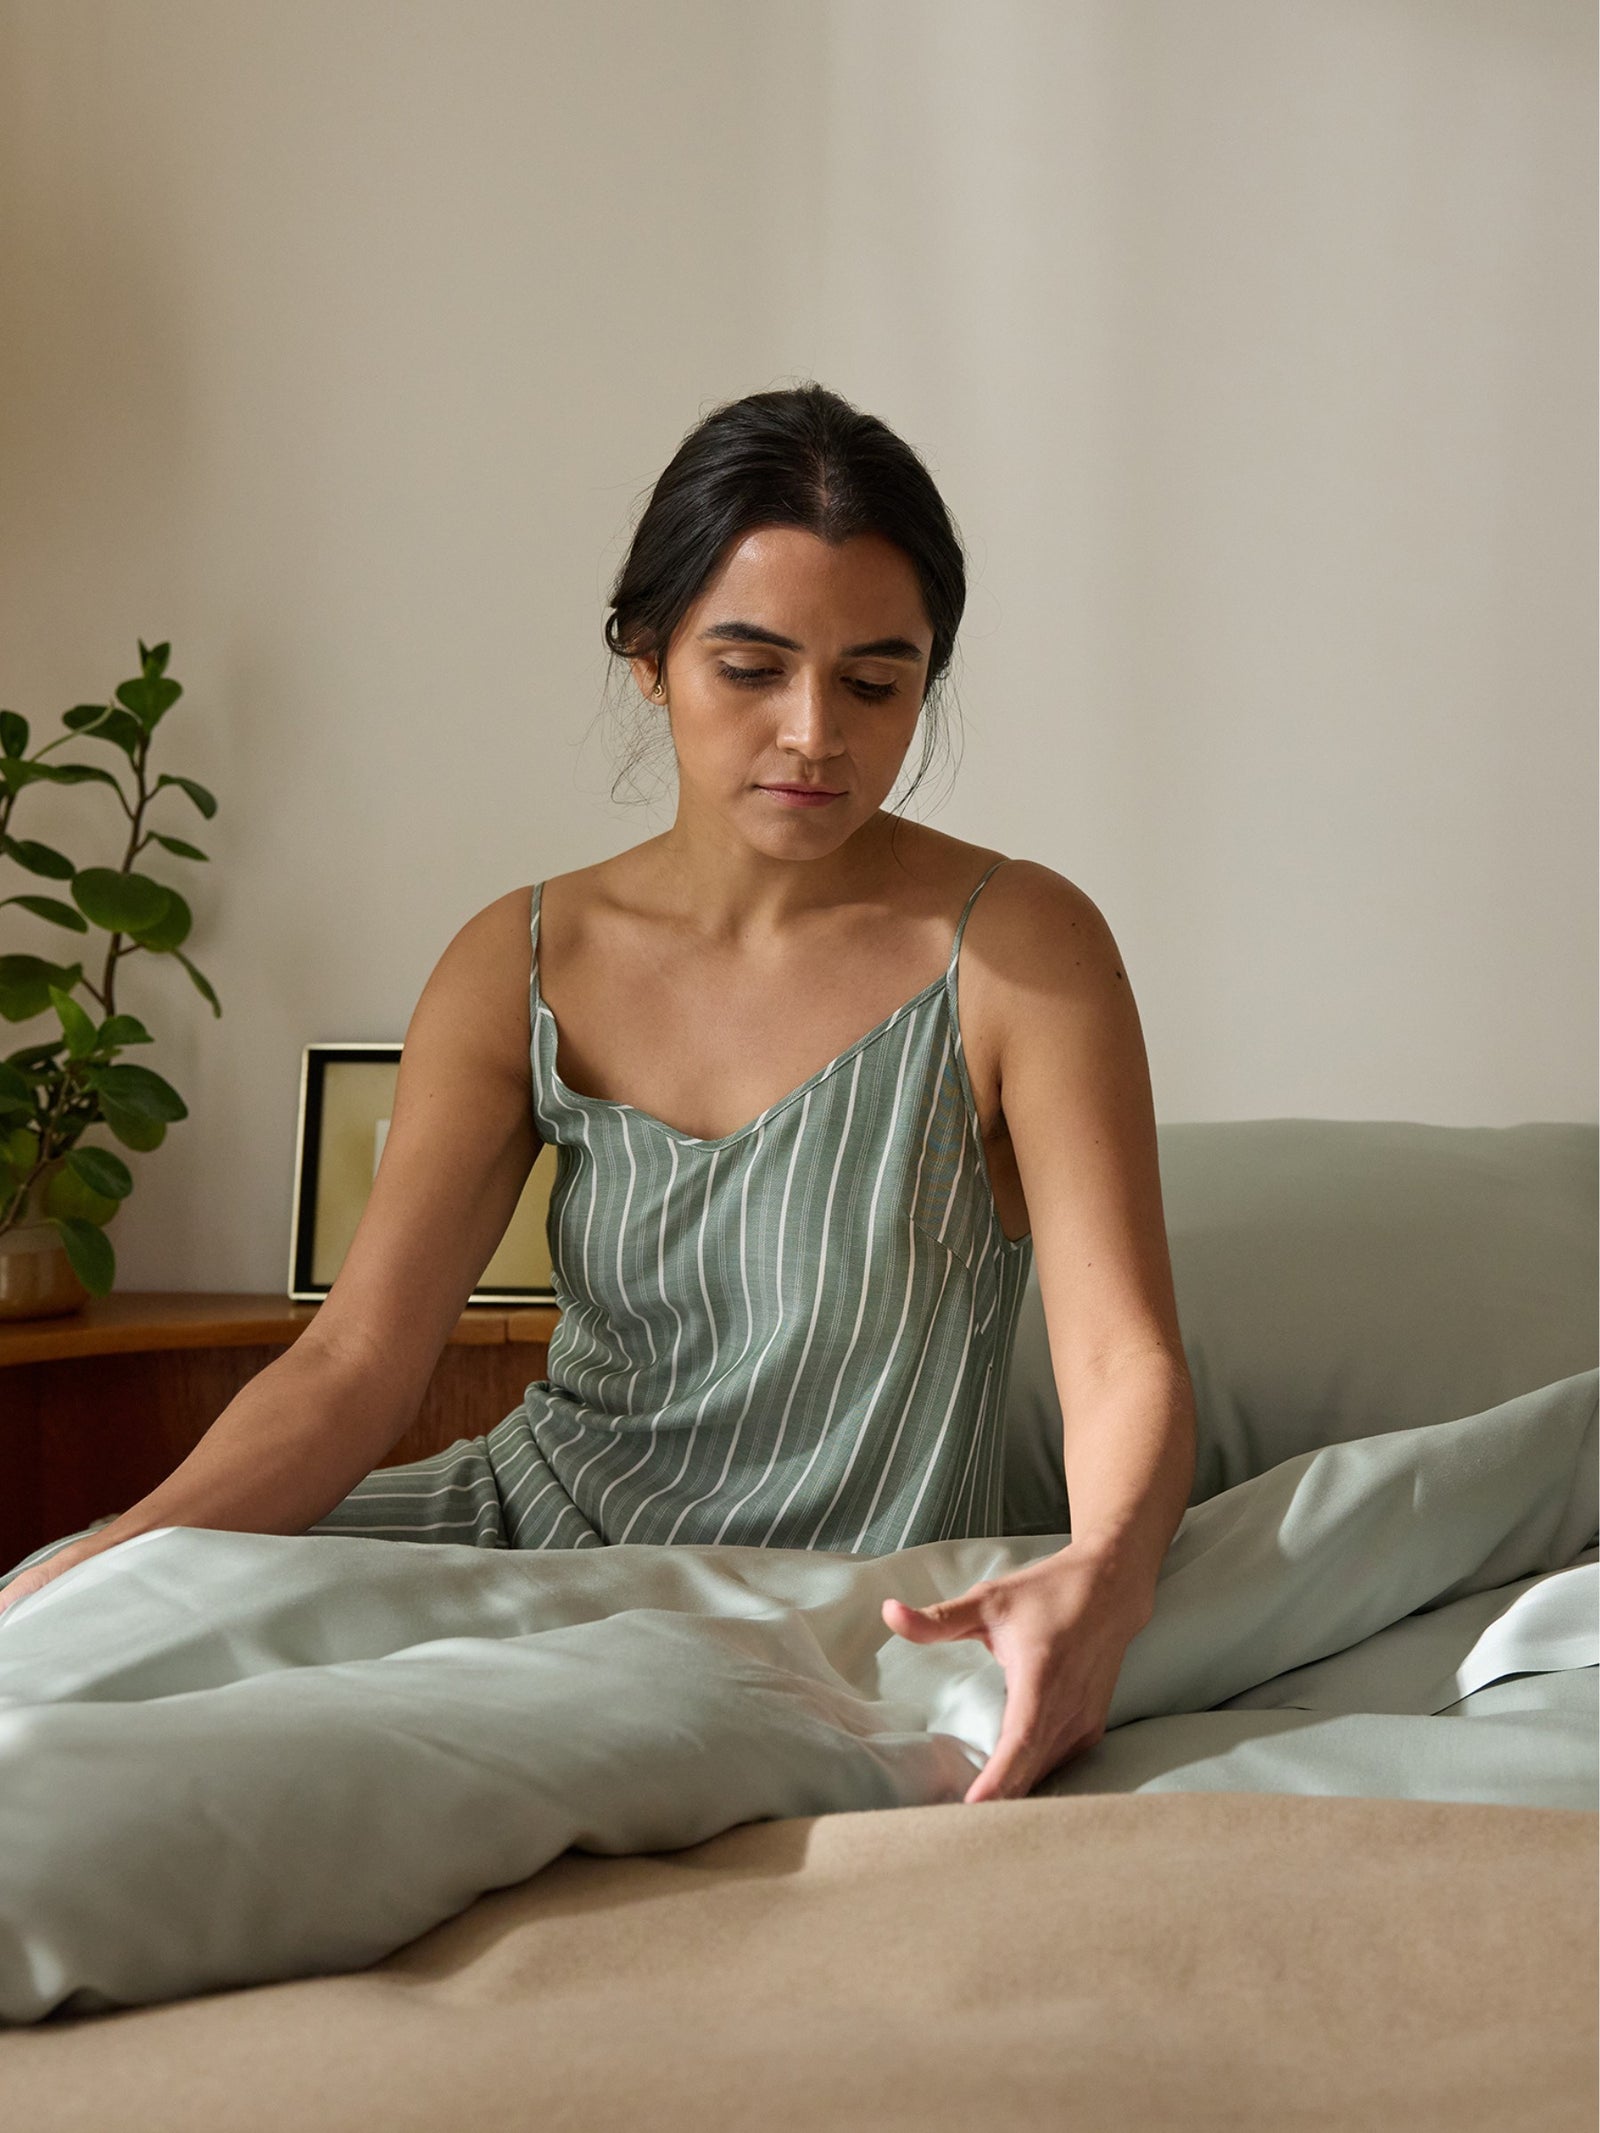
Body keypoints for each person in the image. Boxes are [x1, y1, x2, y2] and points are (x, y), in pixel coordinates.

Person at [0, 383, 1197, 1801]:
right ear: (648, 654)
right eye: (751, 667)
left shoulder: (1017, 947)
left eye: (876, 682)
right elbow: (355, 1364)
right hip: (524, 1546)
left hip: (834, 1606)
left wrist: (1104, 1580)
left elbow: (1120, 1355)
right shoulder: (521, 956)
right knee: (67, 1639)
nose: (815, 732)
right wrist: (131, 1545)